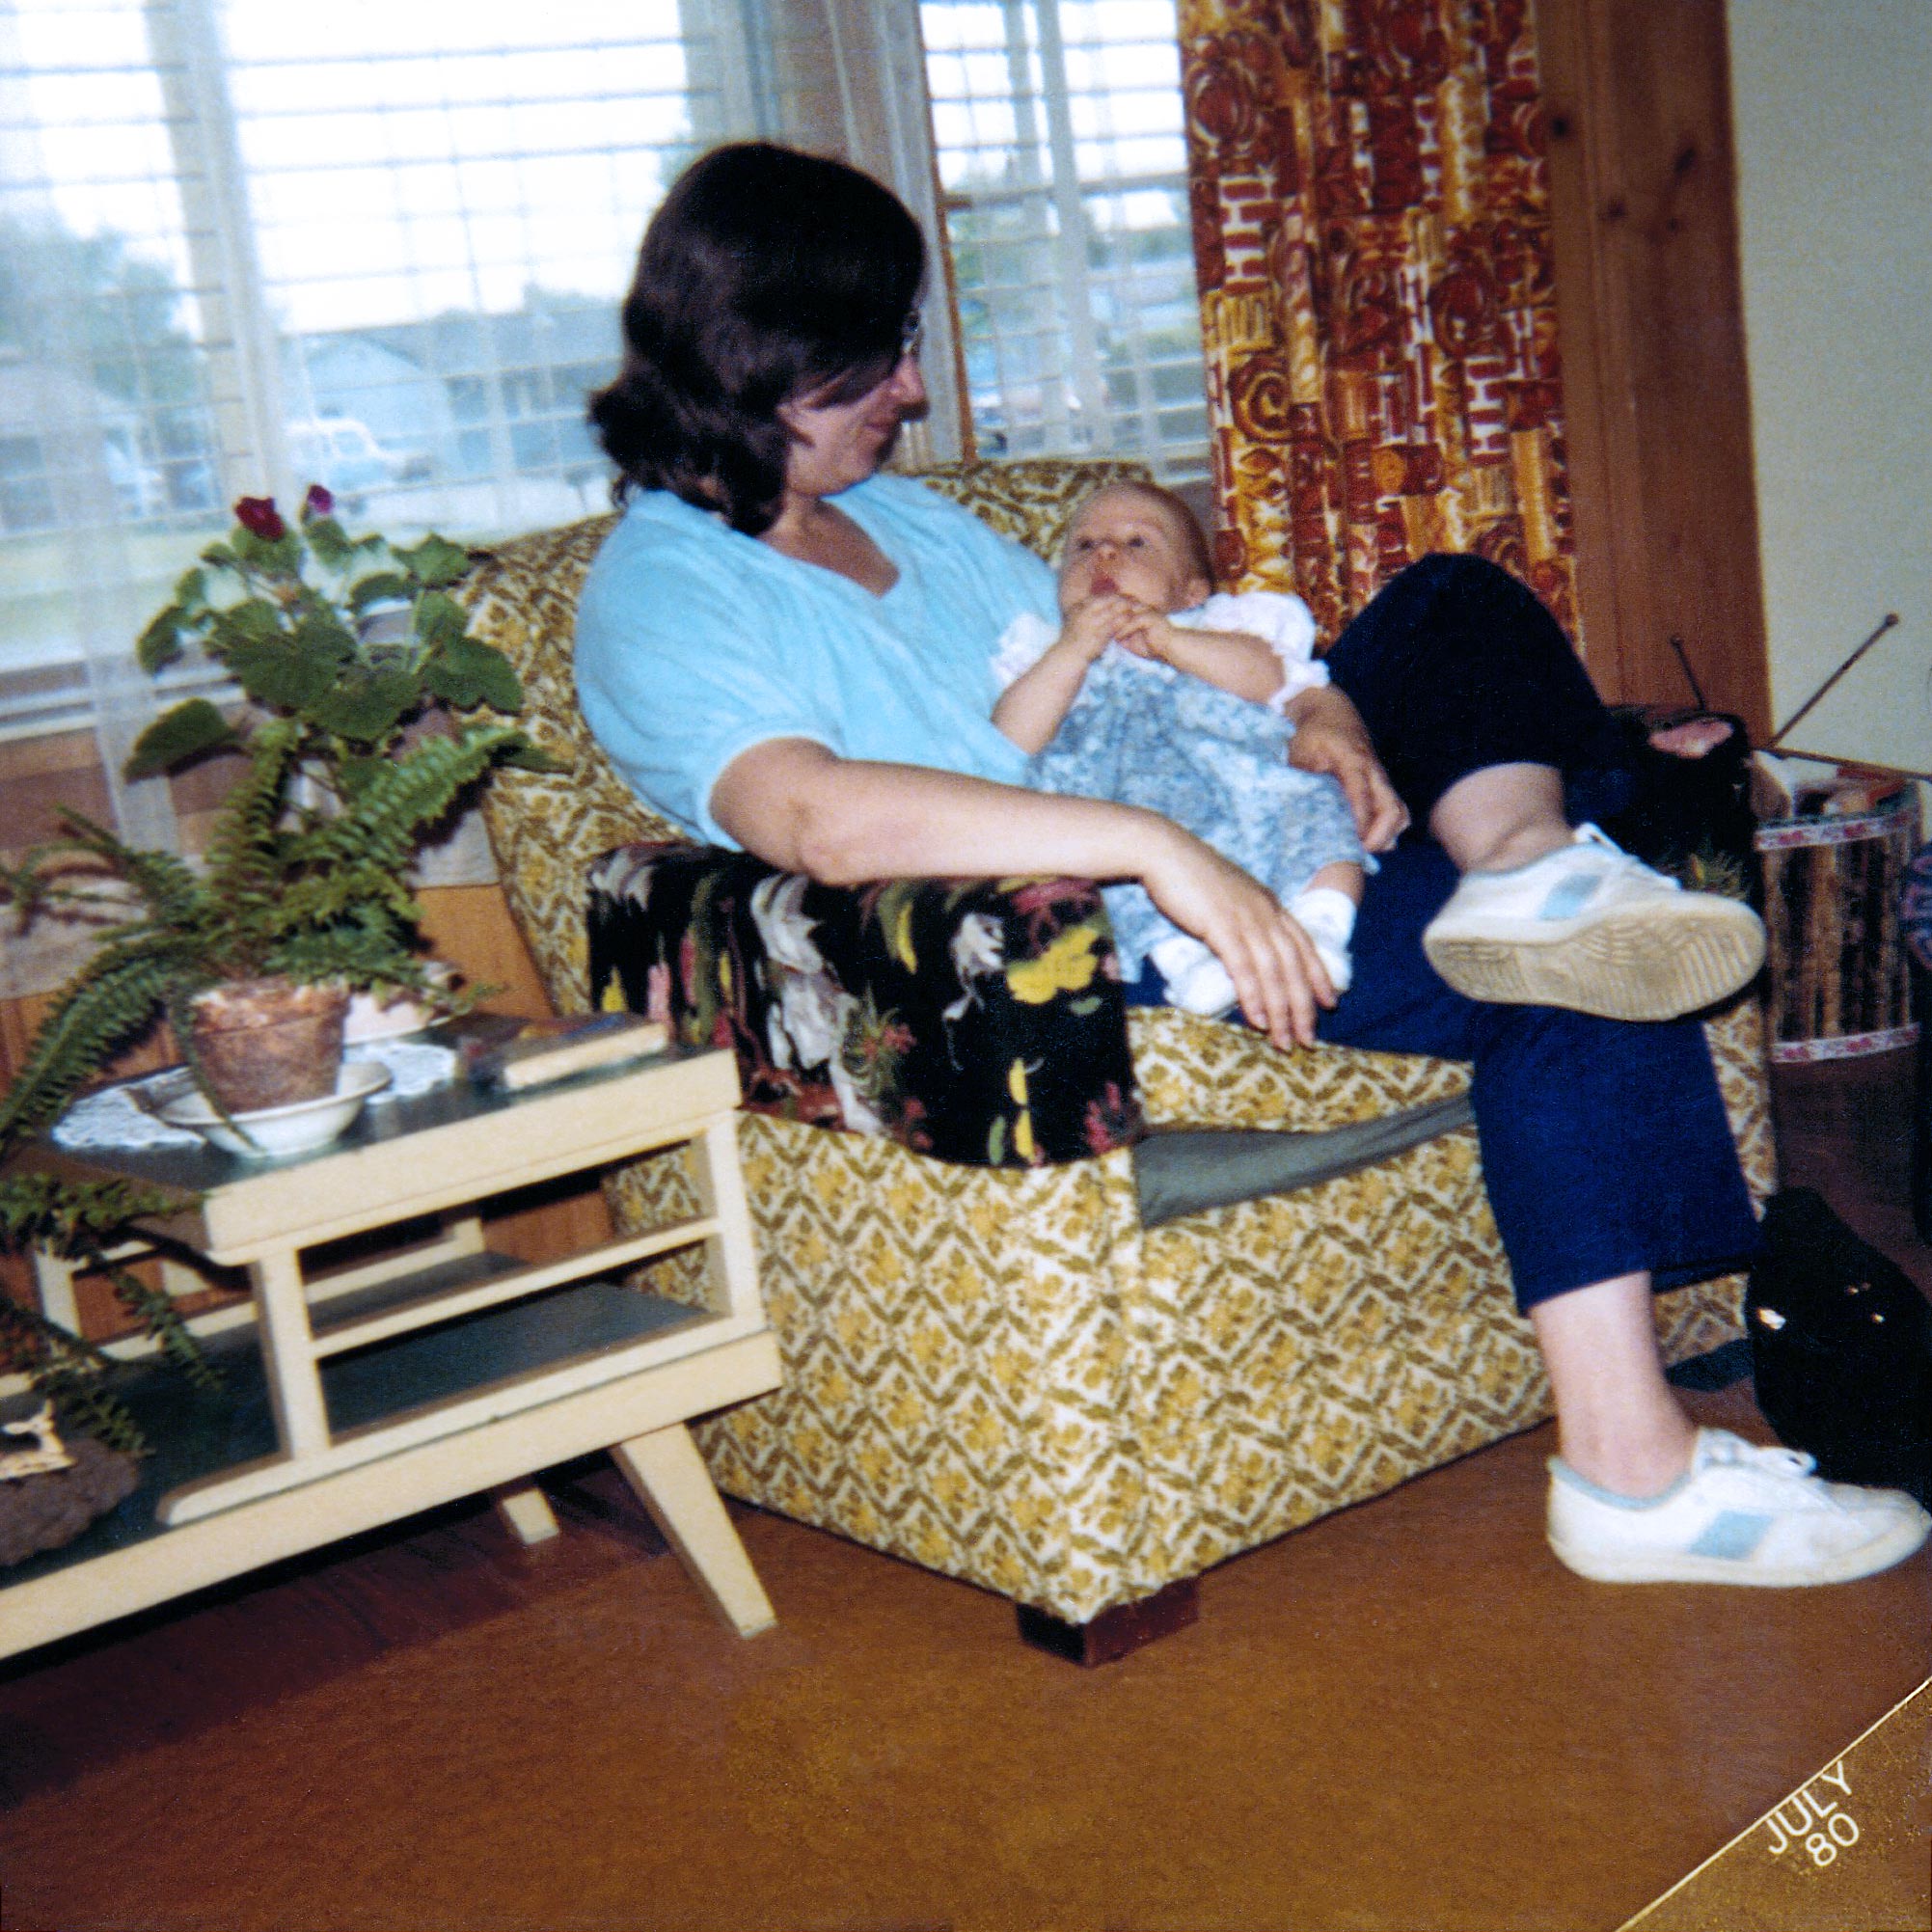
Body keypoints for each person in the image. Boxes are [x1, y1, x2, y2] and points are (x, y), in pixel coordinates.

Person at [576, 142, 1931, 1588]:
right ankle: (1630, 1468)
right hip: (1079, 962)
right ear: (747, 363)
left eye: (900, 349)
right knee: (1578, 963)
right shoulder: (662, 586)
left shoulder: (903, 516)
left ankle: (1533, 860)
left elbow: (1149, 661)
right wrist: (1158, 851)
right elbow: (815, 820)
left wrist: (1316, 706)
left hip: (1223, 822)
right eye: (869, 365)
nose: (910, 391)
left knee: (1446, 609)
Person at [993, 478, 1365, 1013]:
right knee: (1106, 876)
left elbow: (1273, 679)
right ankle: (1188, 964)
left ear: (1190, 591)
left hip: (1243, 777)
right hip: (1120, 804)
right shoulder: (1041, 649)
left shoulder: (1217, 623)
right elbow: (1011, 738)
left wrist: (1173, 641)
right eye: (1082, 545)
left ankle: (1322, 929)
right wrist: (1071, 653)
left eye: (1136, 543)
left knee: (1316, 804)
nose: (1103, 553)